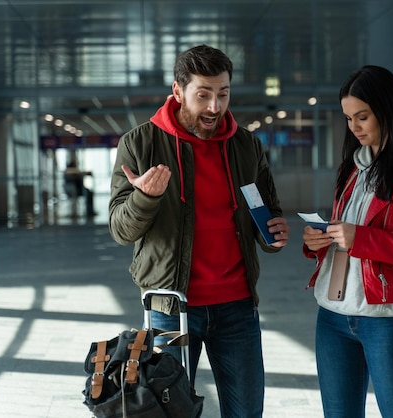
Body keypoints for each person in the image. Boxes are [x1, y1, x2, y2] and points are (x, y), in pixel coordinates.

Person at [108, 44, 290, 418]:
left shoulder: (246, 146)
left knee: (246, 412)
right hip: (170, 309)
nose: (214, 107)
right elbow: (120, 230)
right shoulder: (140, 143)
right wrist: (145, 197)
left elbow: (266, 213)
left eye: (222, 94)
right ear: (178, 92)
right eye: (203, 95)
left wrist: (275, 234)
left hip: (237, 308)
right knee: (169, 412)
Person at [302, 65, 393, 418]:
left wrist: (361, 239)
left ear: (387, 110)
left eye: (362, 116)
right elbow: (346, 237)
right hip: (333, 316)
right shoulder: (351, 169)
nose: (354, 126)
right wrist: (317, 241)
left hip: (388, 319)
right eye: (349, 117)